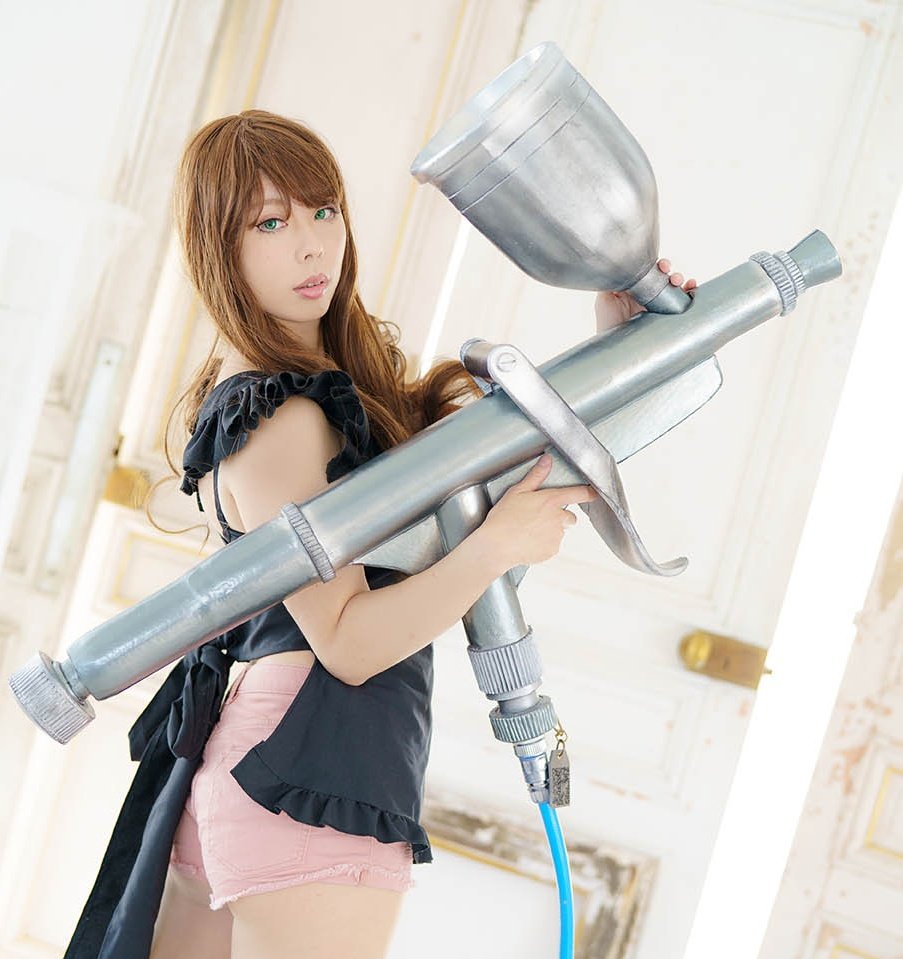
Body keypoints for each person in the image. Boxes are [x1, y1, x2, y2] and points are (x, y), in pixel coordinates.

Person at [66, 109, 695, 959]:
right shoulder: (281, 416)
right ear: (220, 247)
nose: (311, 246)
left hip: (267, 770)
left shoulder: (312, 391)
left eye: (323, 211)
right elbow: (349, 642)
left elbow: (478, 481)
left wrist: (613, 343)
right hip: (312, 774)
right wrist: (496, 549)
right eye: (270, 223)